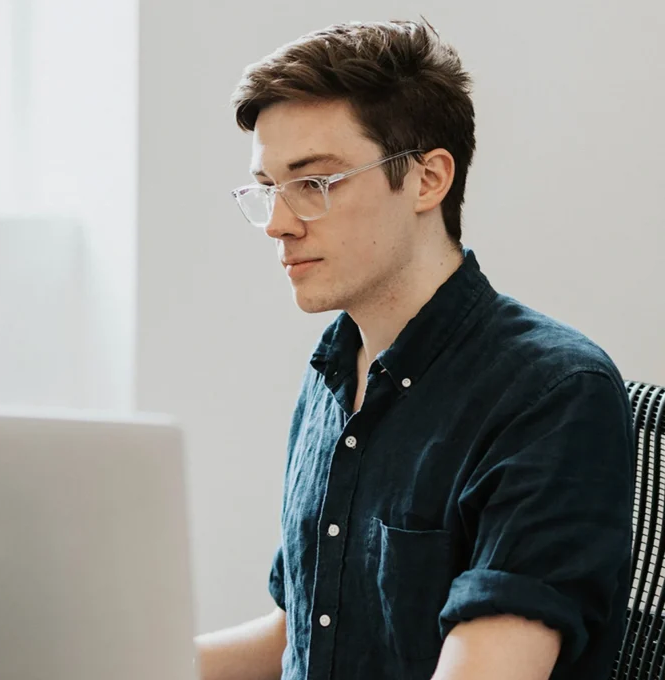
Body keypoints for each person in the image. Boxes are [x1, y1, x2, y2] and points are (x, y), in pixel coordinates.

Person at [194, 18, 634, 680]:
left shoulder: (554, 393)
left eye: (313, 184)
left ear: (428, 180)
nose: (279, 223)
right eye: (268, 188)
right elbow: (302, 635)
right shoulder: (334, 370)